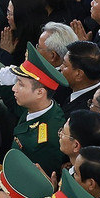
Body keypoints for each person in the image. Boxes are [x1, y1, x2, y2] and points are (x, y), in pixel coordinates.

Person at [10, 42, 69, 175]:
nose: (14, 88)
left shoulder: (46, 141)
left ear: (40, 93)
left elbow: (38, 179)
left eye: (20, 84)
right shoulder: (38, 106)